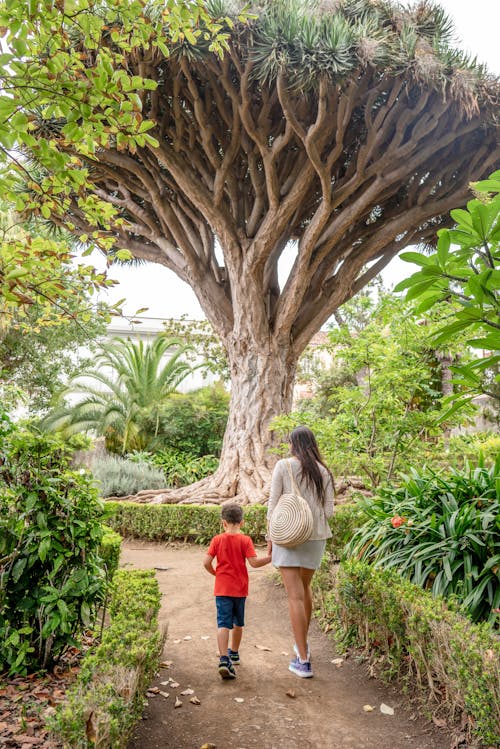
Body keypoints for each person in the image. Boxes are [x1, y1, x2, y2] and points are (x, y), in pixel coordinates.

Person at [266, 425, 335, 678]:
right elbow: (329, 512)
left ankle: (303, 659)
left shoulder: (283, 466)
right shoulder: (324, 471)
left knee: (294, 596)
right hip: (316, 537)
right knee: (304, 590)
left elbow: (273, 506)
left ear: (293, 444)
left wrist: (270, 537)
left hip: (288, 536)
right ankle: (302, 646)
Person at [203, 503, 271, 679]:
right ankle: (234, 652)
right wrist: (271, 558)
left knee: (223, 623)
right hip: (240, 590)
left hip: (222, 589)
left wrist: (216, 574)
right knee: (238, 624)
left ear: (223, 523)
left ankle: (224, 658)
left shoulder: (217, 540)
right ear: (242, 522)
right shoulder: (245, 540)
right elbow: (254, 563)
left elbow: (206, 563)